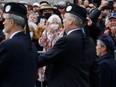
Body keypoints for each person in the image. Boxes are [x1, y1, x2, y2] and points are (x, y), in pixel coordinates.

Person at [38, 4, 100, 87]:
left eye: (64, 18)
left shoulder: (67, 40)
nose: (63, 21)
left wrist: (26, 58)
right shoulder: (90, 41)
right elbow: (94, 69)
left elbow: (46, 58)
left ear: (70, 21)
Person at [0, 2, 38, 87]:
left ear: (11, 22)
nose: (3, 23)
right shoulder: (31, 44)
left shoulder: (8, 45)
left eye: (4, 19)